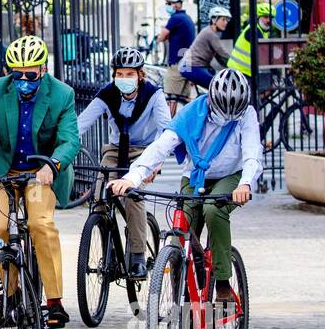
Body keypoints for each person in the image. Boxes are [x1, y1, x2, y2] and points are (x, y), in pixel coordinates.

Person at [109, 69, 260, 304]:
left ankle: (222, 283)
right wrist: (132, 178)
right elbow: (161, 146)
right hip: (195, 177)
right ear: (210, 100)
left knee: (212, 209)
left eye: (233, 114)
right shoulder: (191, 113)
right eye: (222, 112)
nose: (227, 118)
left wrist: (246, 183)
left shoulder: (246, 115)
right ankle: (184, 308)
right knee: (181, 232)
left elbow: (252, 153)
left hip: (231, 175)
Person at [0, 35, 80, 328]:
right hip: (3, 172)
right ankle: (12, 295)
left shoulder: (62, 94)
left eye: (30, 74)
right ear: (8, 73)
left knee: (41, 224)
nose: (24, 80)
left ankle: (54, 302)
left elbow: (70, 140)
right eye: (17, 75)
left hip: (41, 173)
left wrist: (53, 164)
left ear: (43, 69)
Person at [76, 47, 171, 280]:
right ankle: (106, 240)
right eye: (120, 73)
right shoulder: (107, 94)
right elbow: (81, 123)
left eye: (130, 74)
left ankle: (138, 256)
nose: (124, 79)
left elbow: (166, 131)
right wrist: (65, 150)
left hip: (144, 151)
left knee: (132, 197)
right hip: (114, 151)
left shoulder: (154, 95)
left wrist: (155, 165)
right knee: (98, 195)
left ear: (140, 75)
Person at [157, 0, 197, 114]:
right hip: (186, 61)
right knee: (184, 98)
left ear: (176, 5)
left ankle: (169, 127)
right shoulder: (186, 18)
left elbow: (161, 37)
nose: (167, 6)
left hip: (177, 64)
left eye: (169, 3)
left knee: (170, 97)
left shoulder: (175, 18)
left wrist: (158, 37)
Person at [179, 5, 232, 89]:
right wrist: (236, 65)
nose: (226, 22)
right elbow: (222, 53)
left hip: (191, 67)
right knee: (216, 87)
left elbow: (219, 57)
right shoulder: (210, 34)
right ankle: (206, 101)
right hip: (192, 67)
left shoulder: (209, 31)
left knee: (215, 77)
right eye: (223, 19)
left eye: (227, 20)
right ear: (214, 20)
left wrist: (228, 66)